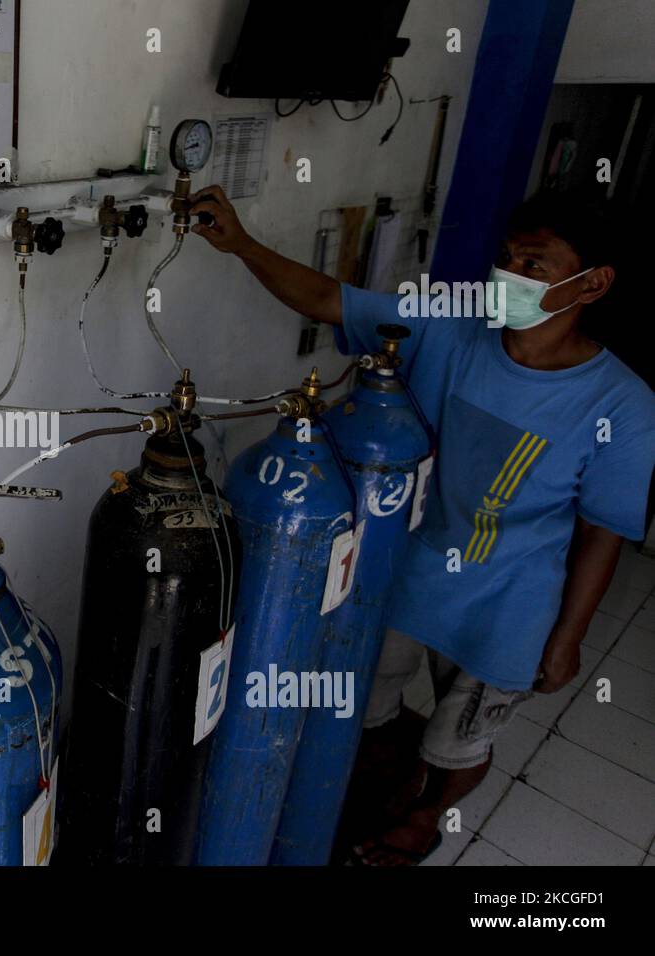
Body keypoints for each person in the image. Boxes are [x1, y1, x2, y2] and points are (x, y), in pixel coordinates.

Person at [187, 186, 655, 865]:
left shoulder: (626, 407)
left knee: (459, 738)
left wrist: (568, 638)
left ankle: (428, 814)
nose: (510, 276)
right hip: (410, 570)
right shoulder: (447, 326)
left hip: (512, 601)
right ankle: (391, 783)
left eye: (536, 264)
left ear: (594, 283)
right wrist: (242, 244)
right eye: (507, 258)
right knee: (364, 707)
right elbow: (330, 301)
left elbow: (602, 532)